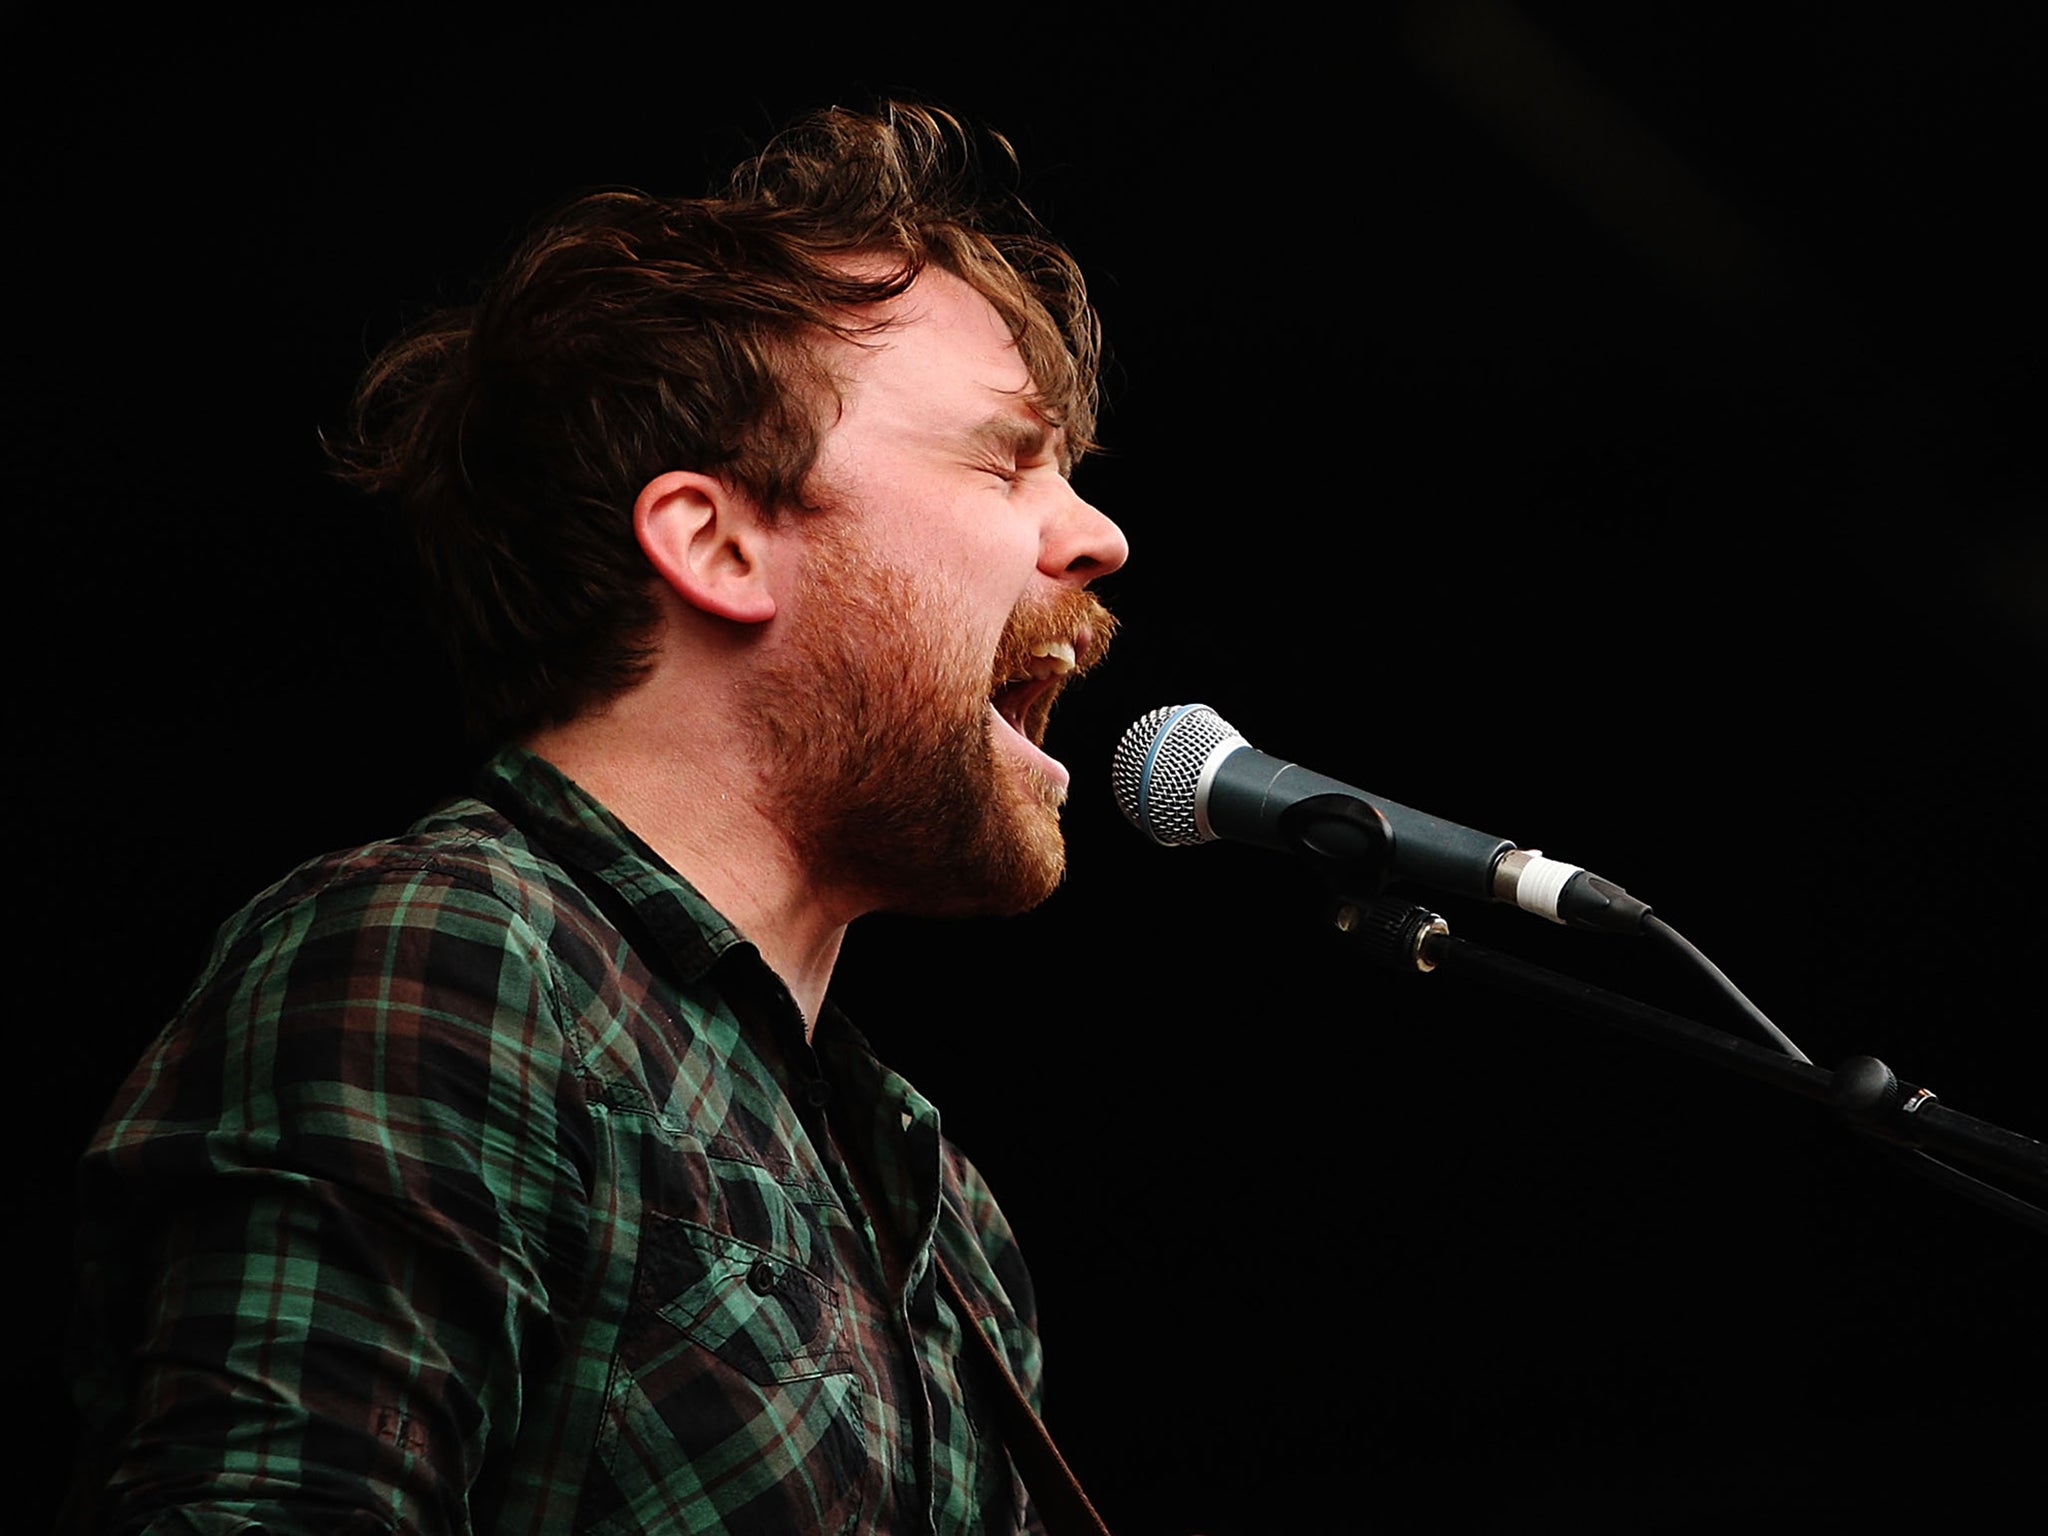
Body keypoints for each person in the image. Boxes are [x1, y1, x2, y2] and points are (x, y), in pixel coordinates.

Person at [67, 102, 1127, 1534]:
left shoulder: (936, 1203)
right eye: (1005, 462)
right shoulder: (449, 957)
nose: (1094, 538)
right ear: (717, 541)